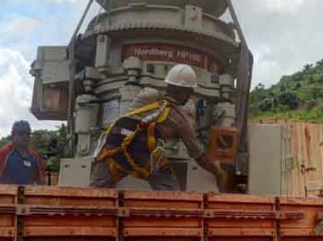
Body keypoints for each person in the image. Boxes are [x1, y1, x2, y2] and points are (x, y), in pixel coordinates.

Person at [90, 64, 225, 191]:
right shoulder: (179, 118)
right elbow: (198, 155)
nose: (190, 96)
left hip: (113, 147)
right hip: (143, 153)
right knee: (170, 189)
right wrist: (217, 171)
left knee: (94, 192)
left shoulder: (146, 94)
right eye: (189, 91)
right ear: (182, 91)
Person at [0, 120, 46, 185]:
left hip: (28, 193)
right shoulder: (3, 154)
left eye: (28, 134)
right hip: (7, 193)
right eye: (21, 134)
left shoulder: (35, 157)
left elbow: (41, 182)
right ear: (13, 135)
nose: (25, 137)